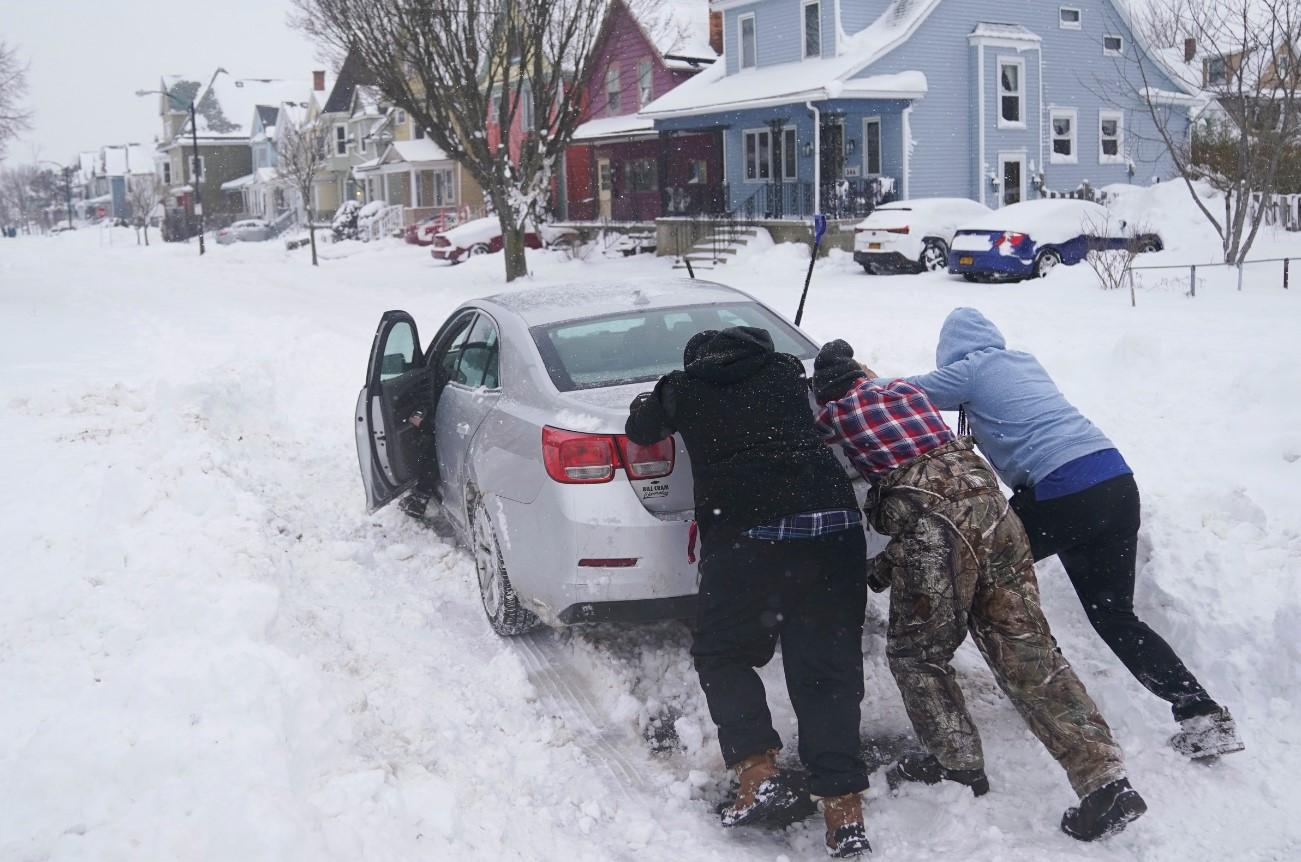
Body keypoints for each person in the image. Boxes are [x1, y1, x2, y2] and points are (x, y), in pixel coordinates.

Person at [813, 340, 1145, 842]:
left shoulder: (835, 414)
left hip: (936, 532)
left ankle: (956, 763)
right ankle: (1105, 781)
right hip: (998, 518)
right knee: (1028, 649)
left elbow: (928, 518)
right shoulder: (905, 392)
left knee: (917, 653)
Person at [899, 308, 1243, 760]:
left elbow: (905, 394)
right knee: (1115, 615)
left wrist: (856, 380)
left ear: (952, 352)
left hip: (1062, 489)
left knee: (980, 570)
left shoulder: (974, 368)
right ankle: (1202, 713)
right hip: (1114, 483)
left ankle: (1043, 687)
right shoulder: (1023, 361)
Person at [626, 327, 872, 859]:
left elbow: (642, 429)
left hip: (750, 533)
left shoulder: (682, 387)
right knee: (827, 669)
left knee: (723, 654)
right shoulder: (785, 371)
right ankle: (843, 811)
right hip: (832, 527)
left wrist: (653, 398)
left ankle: (758, 773)